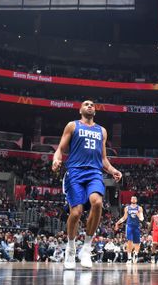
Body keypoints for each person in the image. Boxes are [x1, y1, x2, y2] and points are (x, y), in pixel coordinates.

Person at [53, 99, 123, 270]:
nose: (90, 106)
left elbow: (103, 159)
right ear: (80, 110)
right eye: (86, 104)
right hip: (75, 172)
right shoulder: (73, 126)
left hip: (94, 173)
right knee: (76, 213)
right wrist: (56, 159)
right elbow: (61, 148)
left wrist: (113, 170)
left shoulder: (102, 131)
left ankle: (86, 247)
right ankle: (70, 248)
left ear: (95, 111)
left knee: (97, 202)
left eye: (92, 105)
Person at [115, 196, 144, 265]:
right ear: (130, 200)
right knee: (129, 241)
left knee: (137, 242)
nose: (133, 199)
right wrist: (117, 223)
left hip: (136, 226)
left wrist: (138, 215)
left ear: (136, 200)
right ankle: (129, 258)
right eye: (132, 198)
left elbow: (142, 219)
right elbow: (124, 217)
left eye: (135, 198)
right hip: (129, 226)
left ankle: (136, 254)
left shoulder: (139, 208)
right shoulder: (127, 208)